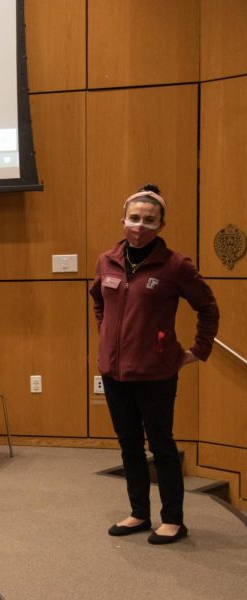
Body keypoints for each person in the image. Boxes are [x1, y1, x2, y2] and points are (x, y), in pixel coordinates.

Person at [90, 183, 219, 544]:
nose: (140, 225)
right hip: (114, 371)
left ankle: (173, 519)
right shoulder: (107, 260)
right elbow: (99, 300)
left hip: (156, 373)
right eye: (134, 218)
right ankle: (138, 514)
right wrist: (105, 336)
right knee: (128, 444)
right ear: (123, 219)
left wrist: (198, 350)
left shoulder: (176, 265)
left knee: (161, 445)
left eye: (149, 220)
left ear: (161, 225)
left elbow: (207, 307)